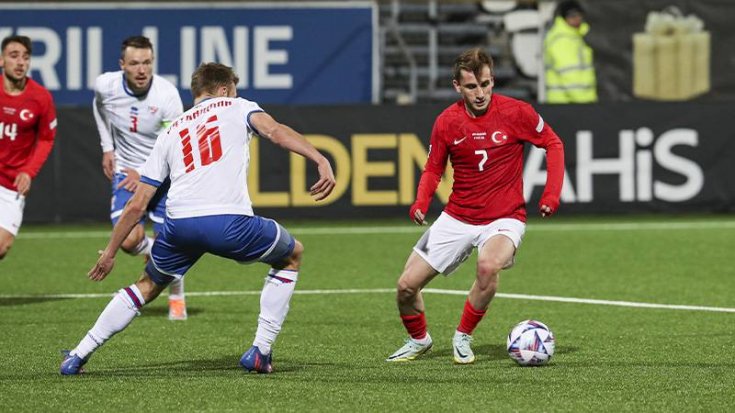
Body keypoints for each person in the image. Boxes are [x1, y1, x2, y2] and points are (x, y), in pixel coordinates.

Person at [60, 62, 336, 375]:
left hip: (179, 226)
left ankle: (78, 355)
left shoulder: (171, 130)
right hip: (228, 223)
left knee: (147, 285)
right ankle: (260, 350)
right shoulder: (237, 106)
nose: (235, 94)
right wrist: (320, 158)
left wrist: (110, 252)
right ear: (224, 89)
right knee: (292, 255)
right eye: (234, 89)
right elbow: (275, 132)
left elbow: (137, 205)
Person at [386, 48, 564, 364]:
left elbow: (553, 143)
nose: (480, 93)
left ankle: (463, 336)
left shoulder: (517, 112)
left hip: (504, 218)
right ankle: (419, 340)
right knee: (405, 287)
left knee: (488, 266)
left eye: (485, 84)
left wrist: (550, 196)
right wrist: (421, 201)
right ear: (458, 87)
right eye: (471, 87)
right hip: (457, 216)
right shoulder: (447, 122)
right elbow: (433, 168)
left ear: (492, 80)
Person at [93, 36, 188, 320]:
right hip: (125, 172)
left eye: (147, 62)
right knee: (128, 241)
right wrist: (107, 147)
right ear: (122, 65)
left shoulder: (167, 97)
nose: (142, 70)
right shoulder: (105, 86)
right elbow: (98, 107)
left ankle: (177, 294)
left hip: (163, 175)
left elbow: (174, 145)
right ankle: (160, 257)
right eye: (134, 63)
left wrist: (145, 172)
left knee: (166, 244)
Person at [0, 35, 57, 259]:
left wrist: (28, 171)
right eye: (14, 56)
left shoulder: (40, 97)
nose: (21, 62)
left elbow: (46, 139)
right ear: (2, 60)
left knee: (2, 247)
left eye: (25, 57)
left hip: (11, 184)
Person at [543, 0, 598, 103]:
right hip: (567, 103)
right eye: (572, 16)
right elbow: (568, 73)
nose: (577, 19)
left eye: (579, 15)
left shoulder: (575, 36)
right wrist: (584, 101)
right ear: (563, 18)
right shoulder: (561, 39)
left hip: (576, 102)